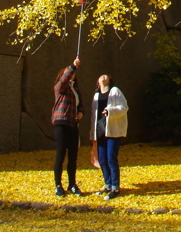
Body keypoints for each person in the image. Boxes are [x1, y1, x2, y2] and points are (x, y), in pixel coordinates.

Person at [91, 73, 128, 200]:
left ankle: (115, 188)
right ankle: (107, 185)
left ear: (109, 80)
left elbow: (124, 107)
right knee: (102, 160)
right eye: (101, 75)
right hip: (101, 131)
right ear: (98, 81)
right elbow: (93, 117)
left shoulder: (115, 91)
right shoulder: (96, 96)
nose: (103, 76)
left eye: (106, 75)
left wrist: (109, 111)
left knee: (111, 158)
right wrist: (93, 134)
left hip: (113, 130)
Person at [52, 56, 84, 196]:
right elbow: (65, 78)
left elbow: (80, 105)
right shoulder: (60, 87)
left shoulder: (75, 90)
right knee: (60, 154)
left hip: (73, 124)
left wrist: (81, 113)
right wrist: (73, 66)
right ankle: (58, 185)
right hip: (61, 122)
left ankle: (72, 184)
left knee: (73, 156)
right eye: (68, 72)